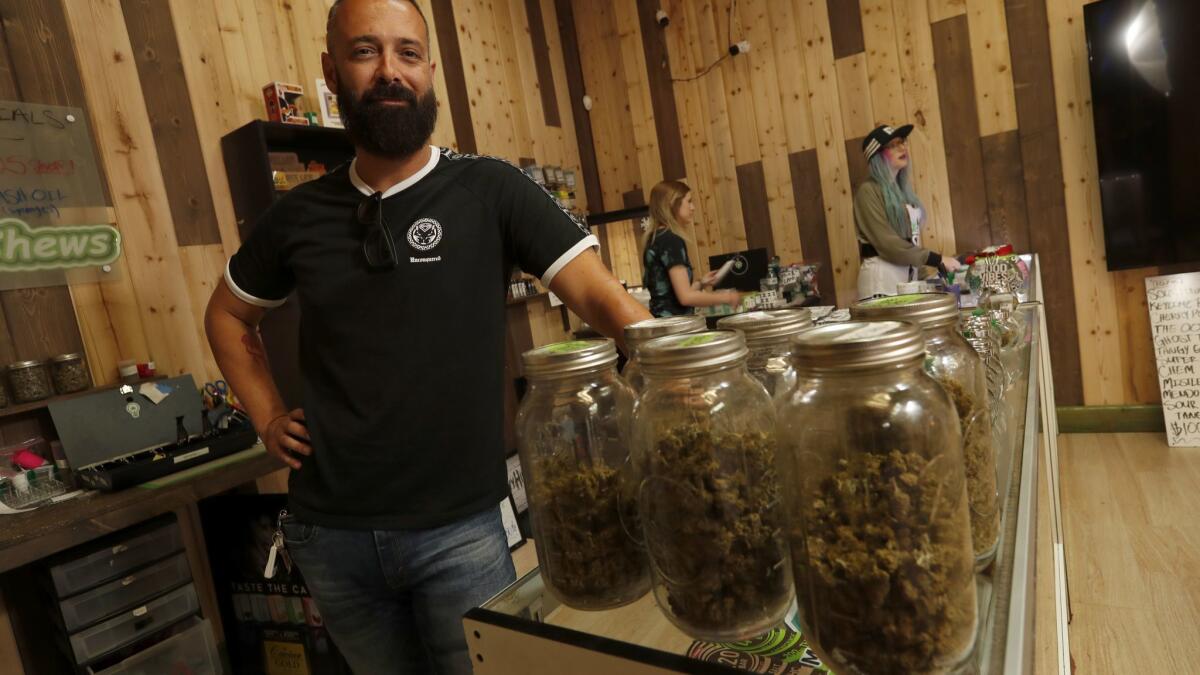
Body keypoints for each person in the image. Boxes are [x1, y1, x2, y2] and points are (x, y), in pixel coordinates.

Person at [203, 1, 651, 672]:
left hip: (461, 532)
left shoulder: (489, 188)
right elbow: (228, 314)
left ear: (430, 70)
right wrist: (266, 416)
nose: (390, 71)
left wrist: (683, 372)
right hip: (332, 534)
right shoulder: (297, 216)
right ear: (331, 71)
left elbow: (597, 294)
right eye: (365, 52)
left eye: (407, 53)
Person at [854, 124, 962, 300]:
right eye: (893, 145)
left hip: (907, 282)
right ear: (877, 156)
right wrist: (937, 259)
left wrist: (924, 277)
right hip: (882, 283)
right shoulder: (868, 192)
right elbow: (888, 244)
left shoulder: (902, 192)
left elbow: (910, 241)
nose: (902, 147)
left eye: (902, 142)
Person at [641, 180, 739, 316]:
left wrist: (700, 283)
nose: (693, 207)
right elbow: (685, 298)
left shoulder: (656, 238)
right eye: (689, 201)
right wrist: (726, 297)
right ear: (673, 204)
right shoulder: (671, 240)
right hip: (675, 326)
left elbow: (672, 296)